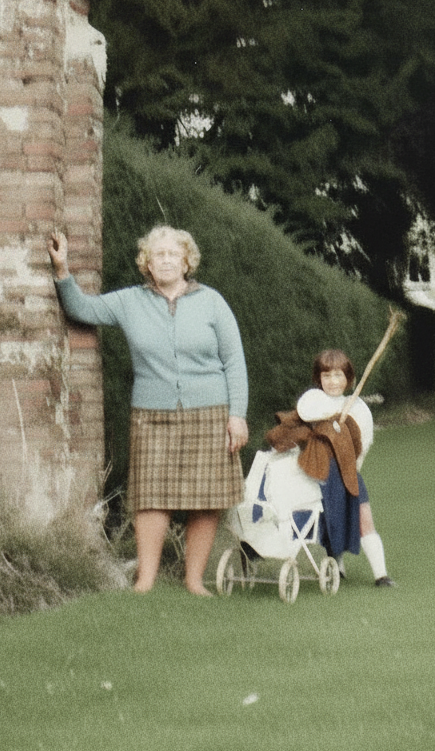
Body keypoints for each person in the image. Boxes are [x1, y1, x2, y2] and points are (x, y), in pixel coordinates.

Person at [47, 225, 248, 596]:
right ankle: (145, 581)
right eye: (159, 255)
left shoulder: (212, 302)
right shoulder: (129, 302)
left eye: (174, 254)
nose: (166, 260)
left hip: (211, 411)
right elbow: (81, 308)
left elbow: (234, 360)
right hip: (152, 414)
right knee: (151, 496)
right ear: (147, 264)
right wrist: (62, 269)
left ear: (187, 262)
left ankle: (194, 581)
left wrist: (237, 415)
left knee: (207, 499)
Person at [295, 348, 395, 587]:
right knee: (331, 519)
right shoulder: (312, 401)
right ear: (318, 378)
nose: (333, 381)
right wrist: (333, 415)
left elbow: (364, 443)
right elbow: (306, 416)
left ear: (348, 378)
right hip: (322, 472)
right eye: (326, 375)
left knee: (364, 518)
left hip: (348, 471)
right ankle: (336, 568)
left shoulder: (357, 407)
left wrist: (353, 466)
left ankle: (381, 575)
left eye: (338, 375)